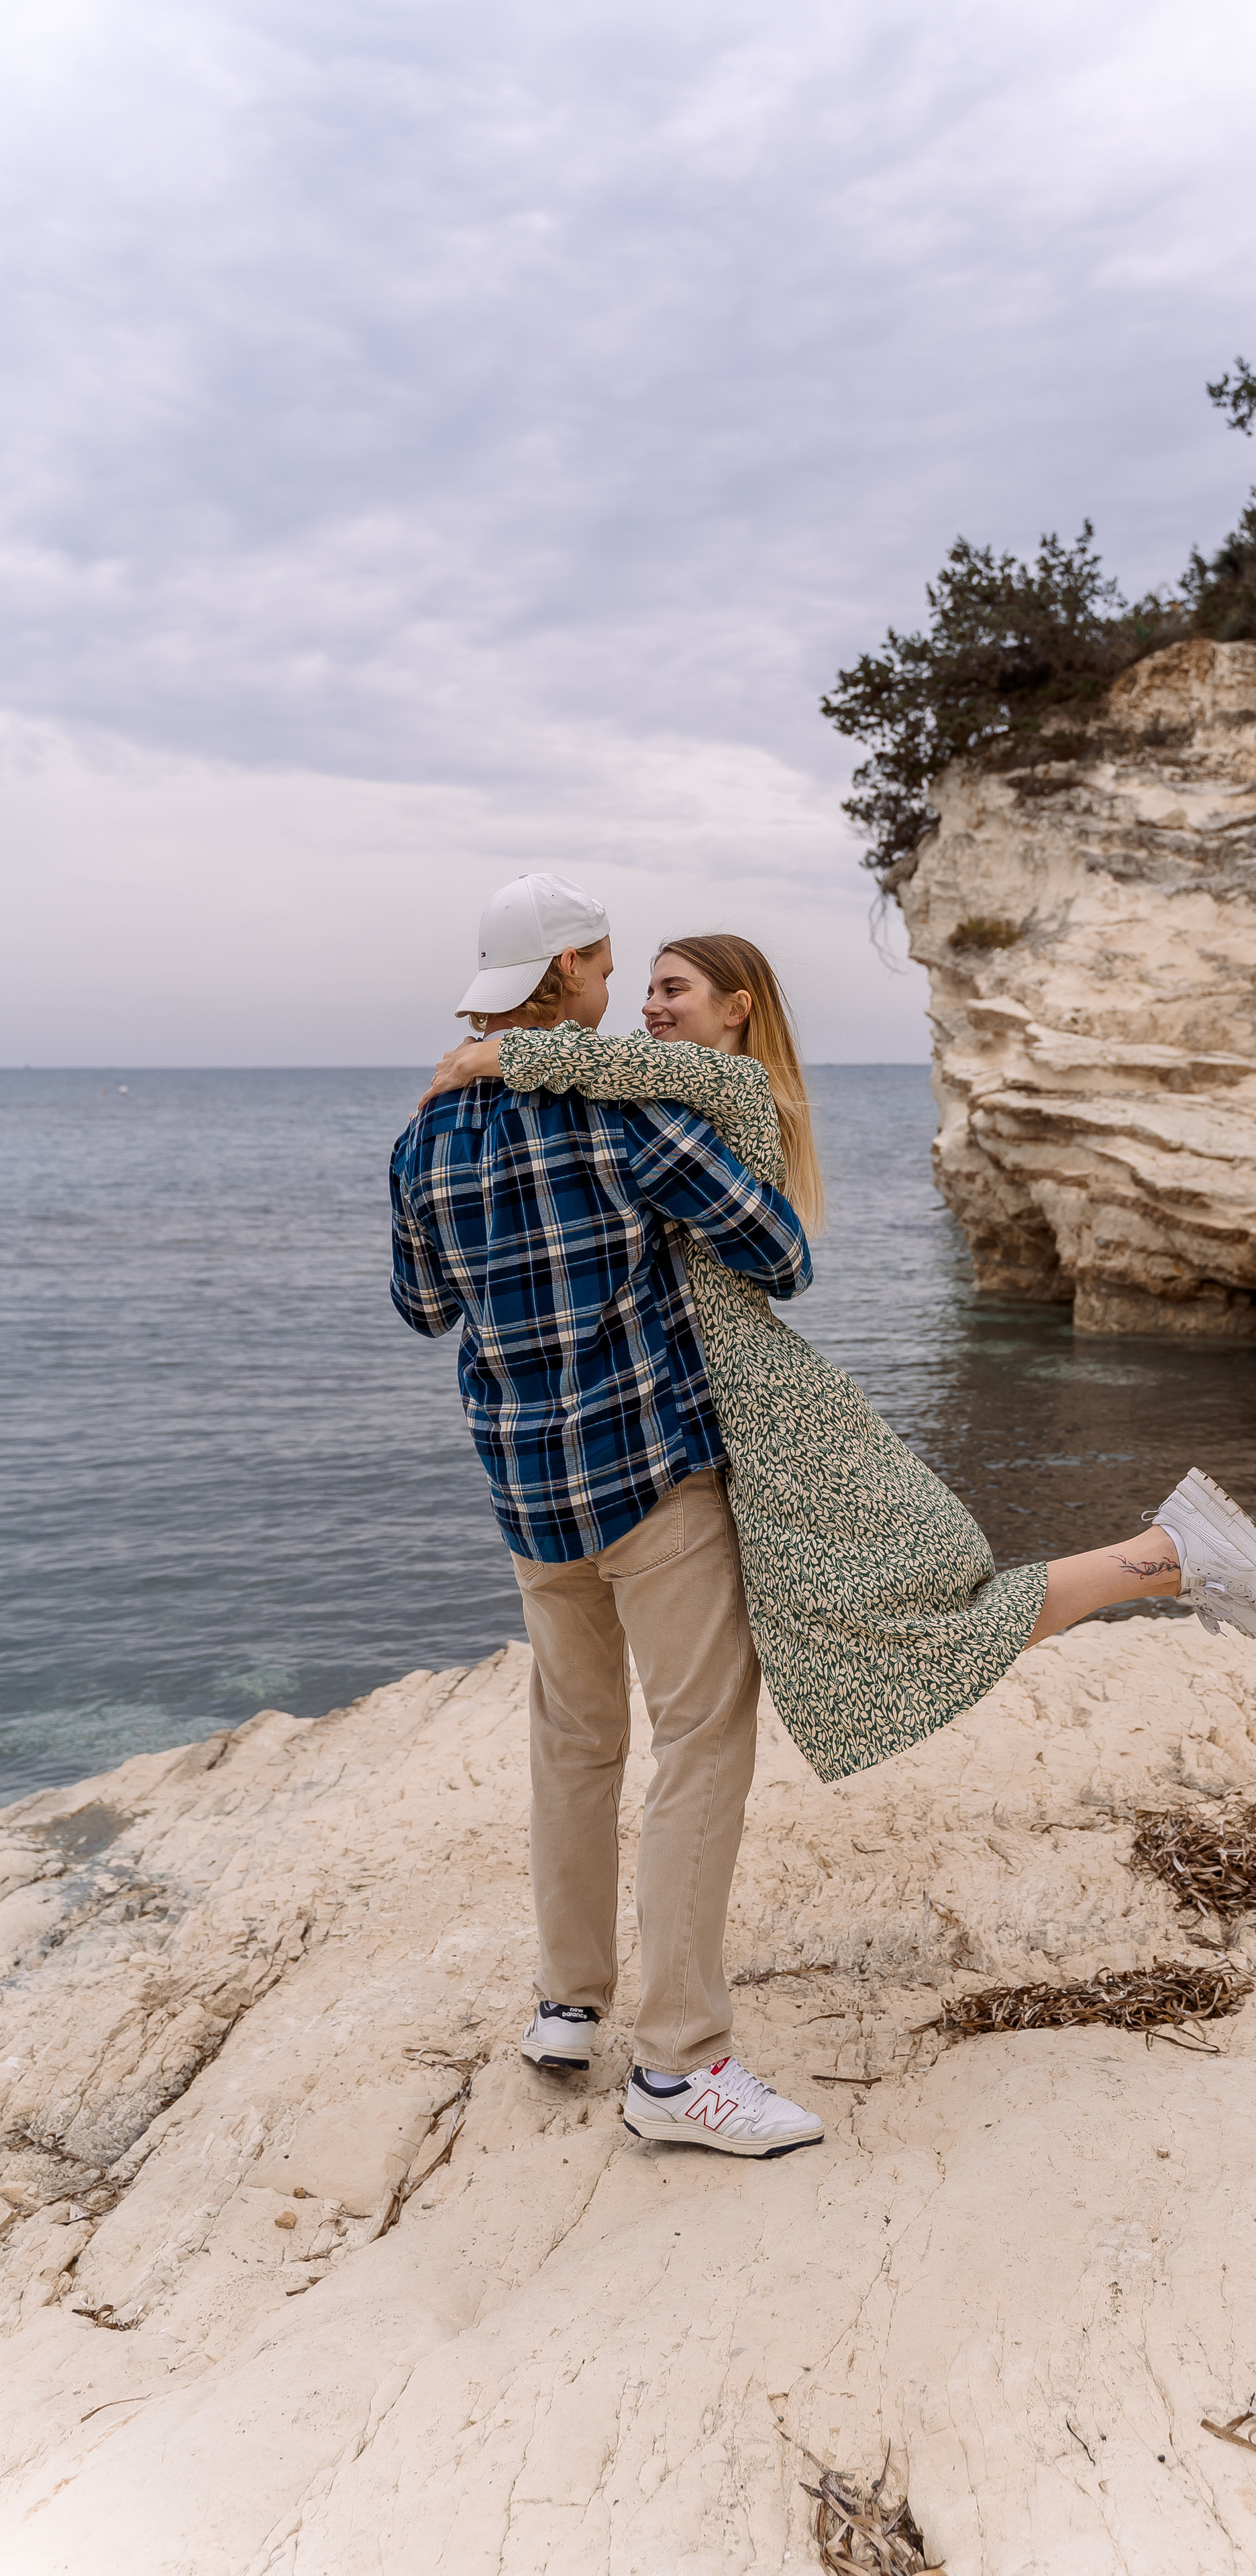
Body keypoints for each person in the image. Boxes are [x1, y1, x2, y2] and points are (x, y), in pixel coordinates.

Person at [421, 917, 1256, 1807]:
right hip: (725, 1403)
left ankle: (1168, 1554)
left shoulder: (726, 1081)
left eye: (672, 989)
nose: (649, 1007)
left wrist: (491, 1058)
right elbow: (617, 1086)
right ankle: (1172, 1556)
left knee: (902, 1627)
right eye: (645, 988)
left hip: (756, 1402)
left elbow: (617, 1078)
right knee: (847, 1638)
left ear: (737, 1009)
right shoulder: (662, 1101)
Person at [391, 874, 829, 2161]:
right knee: (700, 1739)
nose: (618, 987)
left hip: (528, 1492)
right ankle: (681, 2067)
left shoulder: (426, 1134)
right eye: (604, 963)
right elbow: (781, 1255)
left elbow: (423, 1309)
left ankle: (568, 2007)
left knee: (575, 1742)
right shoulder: (625, 1113)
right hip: (650, 1478)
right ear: (569, 972)